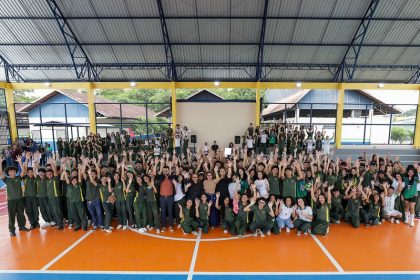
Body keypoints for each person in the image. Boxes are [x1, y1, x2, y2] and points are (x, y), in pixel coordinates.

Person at [0, 156, 30, 237]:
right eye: (11, 172)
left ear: (15, 172)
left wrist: (20, 162)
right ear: (8, 173)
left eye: (13, 171)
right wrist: (0, 162)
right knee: (11, 215)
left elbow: (23, 171)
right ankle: (12, 230)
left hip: (20, 199)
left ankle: (22, 226)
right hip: (11, 200)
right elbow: (1, 173)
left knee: (21, 214)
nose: (12, 172)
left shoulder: (18, 178)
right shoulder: (7, 180)